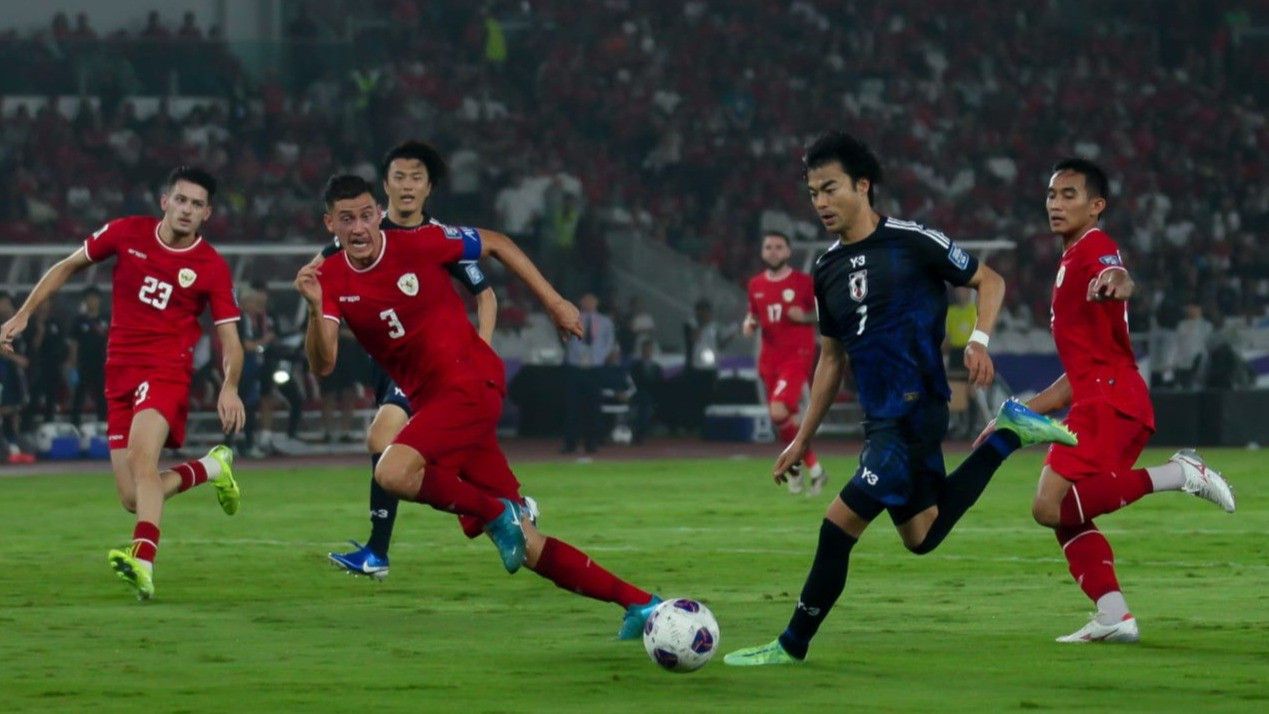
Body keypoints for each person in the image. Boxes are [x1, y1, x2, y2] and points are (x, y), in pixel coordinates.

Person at [724, 130, 1077, 666]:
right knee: (921, 534)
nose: (820, 202)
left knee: (836, 527)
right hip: (881, 416)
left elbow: (991, 281)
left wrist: (978, 340)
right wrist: (801, 438)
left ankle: (791, 644)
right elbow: (831, 359)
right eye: (813, 192)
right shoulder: (825, 270)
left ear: (862, 186)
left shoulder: (912, 241)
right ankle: (1006, 435)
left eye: (830, 188)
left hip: (912, 410)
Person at [296, 174, 661, 637]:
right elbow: (323, 363)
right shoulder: (327, 278)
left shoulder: (419, 242)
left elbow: (499, 244)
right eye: (347, 219)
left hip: (470, 382)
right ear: (332, 224)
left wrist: (553, 302)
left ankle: (493, 512)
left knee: (391, 470)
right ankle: (641, 605)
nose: (360, 227)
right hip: (439, 408)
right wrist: (312, 308)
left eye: (367, 214)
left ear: (378, 213)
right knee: (527, 546)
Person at [973, 158, 1236, 644]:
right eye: (1052, 195)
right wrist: (1024, 413)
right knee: (1065, 509)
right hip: (1105, 398)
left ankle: (1180, 474)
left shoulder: (1097, 248)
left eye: (1069, 195)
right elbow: (1076, 374)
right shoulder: (1070, 260)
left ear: (1096, 207)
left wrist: (1118, 284)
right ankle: (1114, 614)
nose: (1056, 203)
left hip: (1111, 402)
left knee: (1049, 505)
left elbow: (1118, 275)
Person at [0, 166, 246, 601]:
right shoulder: (126, 233)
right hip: (119, 373)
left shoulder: (210, 267)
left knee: (142, 460)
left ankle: (143, 561)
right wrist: (23, 314)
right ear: (164, 201)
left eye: (197, 204)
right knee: (133, 496)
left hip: (166, 371)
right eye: (182, 200)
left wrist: (229, 385)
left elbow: (231, 340)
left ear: (207, 213)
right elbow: (67, 266)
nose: (187, 210)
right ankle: (210, 467)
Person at [324, 140, 500, 579]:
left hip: (434, 364)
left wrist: (482, 347)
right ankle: (503, 506)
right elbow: (330, 263)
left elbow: (486, 293)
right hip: (388, 363)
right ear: (385, 185)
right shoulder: (367, 228)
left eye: (415, 178)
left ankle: (379, 551)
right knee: (425, 457)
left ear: (428, 188)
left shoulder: (437, 237)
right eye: (399, 177)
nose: (406, 186)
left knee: (382, 442)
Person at [742, 231, 826, 495]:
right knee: (784, 418)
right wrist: (749, 322)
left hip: (797, 353)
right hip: (769, 357)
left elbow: (828, 310)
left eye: (779, 247)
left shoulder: (803, 282)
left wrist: (806, 317)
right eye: (769, 247)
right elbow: (754, 313)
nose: (774, 251)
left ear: (789, 252)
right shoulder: (755, 284)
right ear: (762, 252)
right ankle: (811, 470)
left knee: (779, 411)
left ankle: (801, 468)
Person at [562, 293, 615, 454]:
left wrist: (600, 356)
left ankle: (592, 442)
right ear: (581, 302)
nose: (589, 303)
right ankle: (570, 442)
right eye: (586, 300)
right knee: (572, 407)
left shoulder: (605, 321)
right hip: (575, 366)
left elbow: (609, 341)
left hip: (595, 366)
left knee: (593, 406)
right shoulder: (573, 318)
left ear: (597, 302)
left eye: (592, 300)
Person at [69, 285, 109, 428]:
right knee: (78, 397)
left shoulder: (107, 319)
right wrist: (72, 365)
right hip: (83, 364)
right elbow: (74, 344)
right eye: (89, 298)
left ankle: (103, 426)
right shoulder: (79, 321)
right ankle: (74, 426)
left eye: (94, 298)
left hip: (102, 364)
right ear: (85, 301)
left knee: (102, 397)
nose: (92, 301)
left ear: (99, 300)